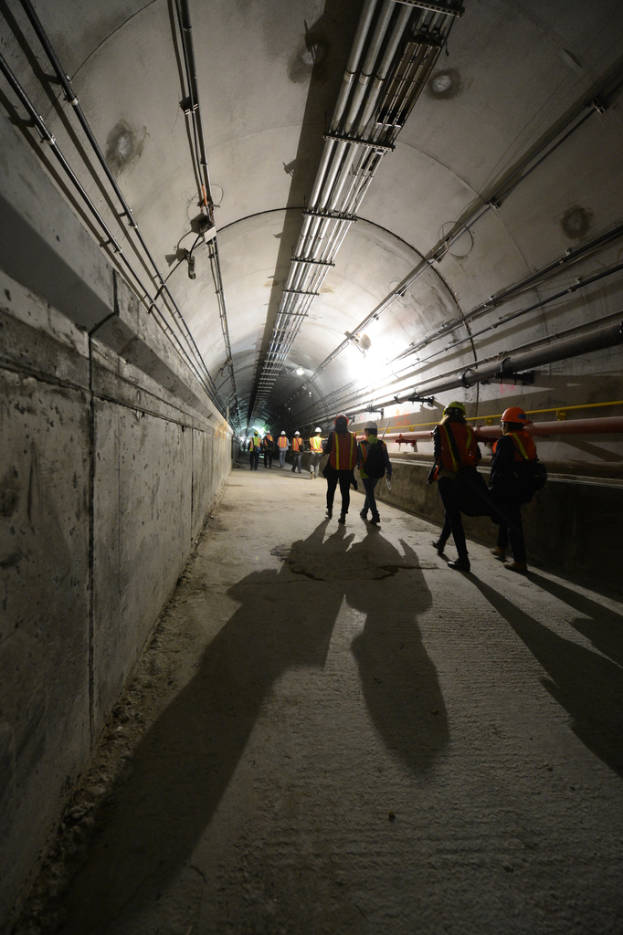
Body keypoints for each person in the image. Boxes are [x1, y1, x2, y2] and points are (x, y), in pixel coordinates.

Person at [427, 401, 480, 572]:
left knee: (453, 515)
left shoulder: (440, 429)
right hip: (464, 477)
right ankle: (441, 542)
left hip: (447, 477)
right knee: (450, 512)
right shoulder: (470, 431)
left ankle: (463, 559)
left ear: (446, 414)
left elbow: (437, 456)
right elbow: (476, 456)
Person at [489, 406, 537, 573]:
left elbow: (499, 467)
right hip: (524, 487)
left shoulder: (506, 440)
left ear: (507, 425)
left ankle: (519, 561)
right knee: (508, 516)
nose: (502, 428)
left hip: (509, 488)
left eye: (502, 424)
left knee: (513, 523)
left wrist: (493, 486)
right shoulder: (527, 439)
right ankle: (500, 547)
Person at [323, 414, 358, 524]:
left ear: (336, 423)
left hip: (333, 467)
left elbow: (328, 450)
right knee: (345, 492)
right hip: (347, 469)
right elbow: (355, 453)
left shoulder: (333, 435)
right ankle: (343, 515)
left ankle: (329, 510)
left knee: (331, 490)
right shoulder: (353, 436)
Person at [357, 422, 392, 525]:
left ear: (367, 431)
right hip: (378, 472)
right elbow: (386, 460)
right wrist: (389, 472)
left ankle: (375, 515)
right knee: (370, 492)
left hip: (365, 473)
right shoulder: (382, 444)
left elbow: (358, 459)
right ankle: (364, 511)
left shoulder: (362, 444)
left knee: (369, 493)